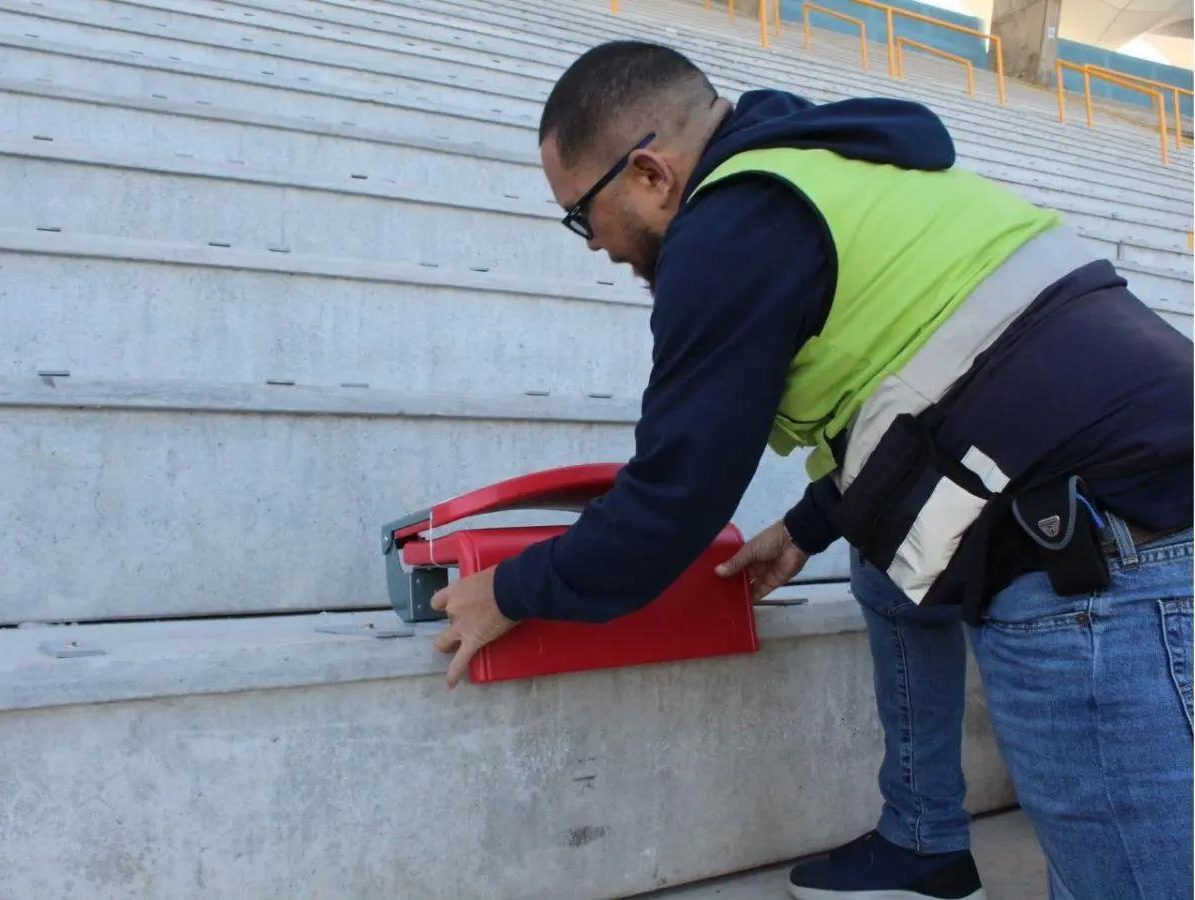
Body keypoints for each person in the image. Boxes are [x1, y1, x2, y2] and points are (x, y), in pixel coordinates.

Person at [429, 41, 1193, 900]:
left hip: (1107, 548)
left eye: (582, 214)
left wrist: (510, 590)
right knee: (883, 568)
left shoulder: (726, 233)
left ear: (648, 173)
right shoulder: (826, 164)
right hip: (1128, 482)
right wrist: (805, 529)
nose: (594, 246)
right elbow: (945, 378)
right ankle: (924, 840)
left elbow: (668, 506)